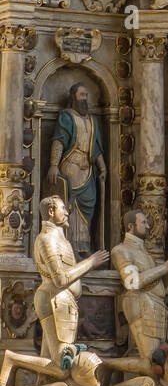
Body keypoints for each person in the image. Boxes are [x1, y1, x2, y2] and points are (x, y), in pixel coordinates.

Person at [33, 196, 109, 370]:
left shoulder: (60, 239)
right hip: (55, 300)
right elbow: (59, 279)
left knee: (49, 363)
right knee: (62, 363)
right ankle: (12, 360)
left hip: (62, 301)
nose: (67, 212)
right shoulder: (47, 239)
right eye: (63, 209)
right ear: (51, 212)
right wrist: (90, 262)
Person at [110, 209, 168, 378]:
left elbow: (159, 285)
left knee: (160, 359)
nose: (148, 226)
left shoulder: (145, 254)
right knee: (152, 363)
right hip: (142, 304)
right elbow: (132, 282)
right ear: (130, 226)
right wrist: (166, 267)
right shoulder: (121, 250)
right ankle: (105, 364)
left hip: (155, 305)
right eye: (143, 223)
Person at [45, 82, 106, 258]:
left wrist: (102, 167)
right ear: (73, 97)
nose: (84, 98)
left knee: (89, 206)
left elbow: (95, 148)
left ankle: (83, 247)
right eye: (81, 95)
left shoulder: (92, 120)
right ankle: (69, 247)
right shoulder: (66, 116)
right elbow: (59, 140)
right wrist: (54, 165)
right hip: (71, 166)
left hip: (88, 170)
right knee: (69, 206)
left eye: (86, 95)